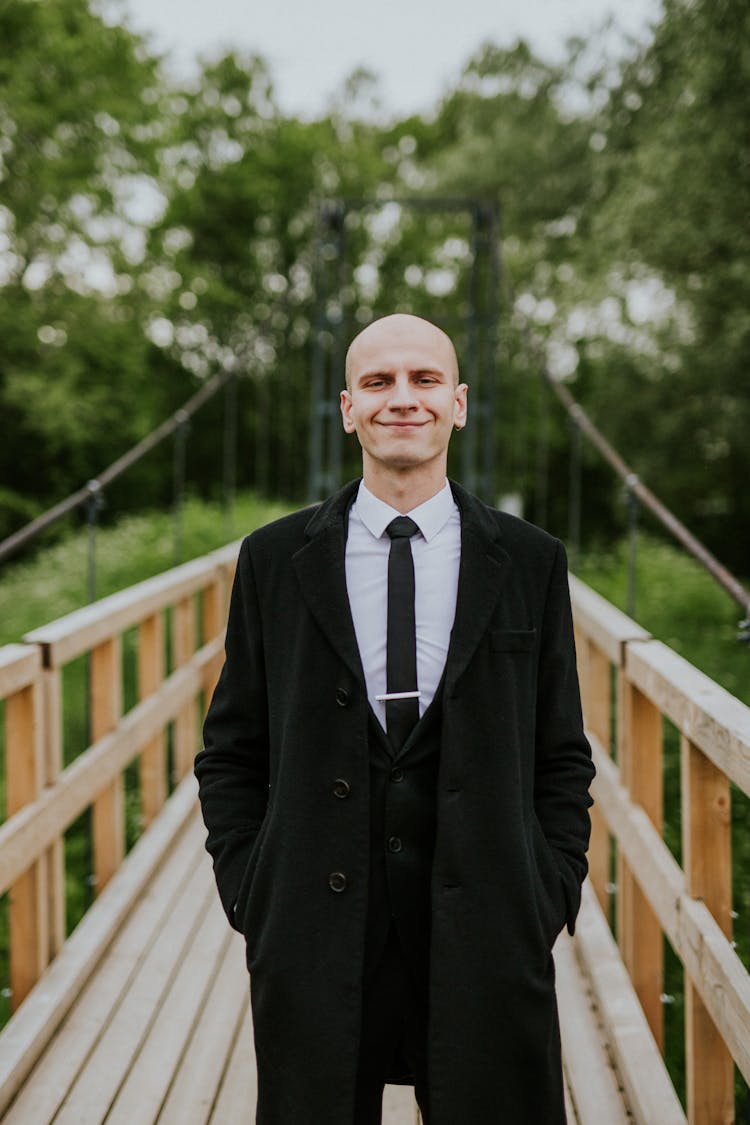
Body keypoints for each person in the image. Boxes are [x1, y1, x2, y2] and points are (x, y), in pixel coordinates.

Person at [195, 312, 595, 1125]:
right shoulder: (273, 560)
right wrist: (254, 893)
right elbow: (230, 751)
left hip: (489, 922)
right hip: (313, 927)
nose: (401, 399)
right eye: (378, 382)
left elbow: (561, 753)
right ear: (348, 408)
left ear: (459, 402)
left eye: (424, 380)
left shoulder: (529, 559)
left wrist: (547, 892)